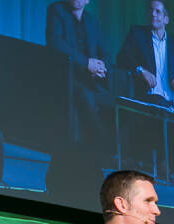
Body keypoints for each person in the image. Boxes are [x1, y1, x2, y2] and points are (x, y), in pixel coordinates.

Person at [45, 0, 115, 203]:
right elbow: (55, 44)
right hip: (64, 78)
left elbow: (104, 51)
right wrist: (86, 63)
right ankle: (96, 156)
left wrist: (102, 67)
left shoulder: (91, 21)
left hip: (90, 80)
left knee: (111, 102)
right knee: (86, 98)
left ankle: (99, 155)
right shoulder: (56, 10)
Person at [117, 1, 174, 106]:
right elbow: (121, 58)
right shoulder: (137, 34)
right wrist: (141, 70)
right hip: (148, 99)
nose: (153, 14)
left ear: (166, 19)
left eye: (157, 12)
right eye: (151, 10)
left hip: (172, 103)